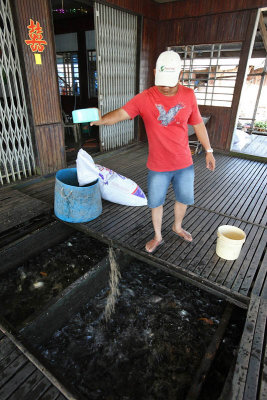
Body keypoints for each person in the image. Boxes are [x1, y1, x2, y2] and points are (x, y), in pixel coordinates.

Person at [90, 50, 216, 253]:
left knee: (183, 199)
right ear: (156, 72)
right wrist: (102, 119)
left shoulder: (188, 95)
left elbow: (198, 124)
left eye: (171, 82)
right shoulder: (144, 98)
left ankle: (177, 226)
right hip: (158, 165)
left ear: (180, 75)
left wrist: (209, 150)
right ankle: (157, 236)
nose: (166, 87)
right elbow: (122, 113)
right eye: (162, 81)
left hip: (184, 162)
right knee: (156, 202)